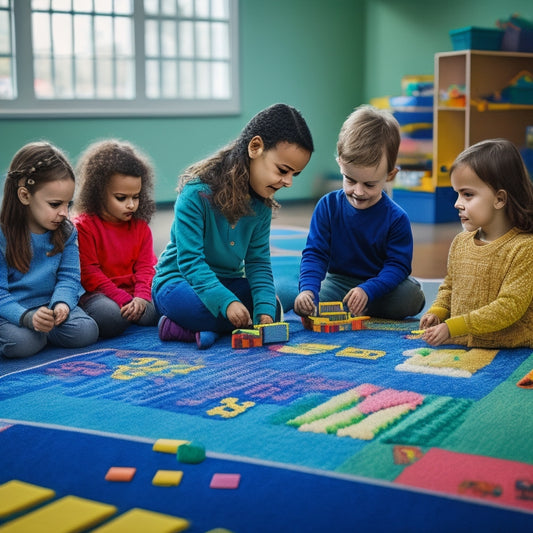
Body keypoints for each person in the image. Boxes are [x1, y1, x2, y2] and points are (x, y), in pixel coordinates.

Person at [152, 103, 314, 349]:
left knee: (270, 303)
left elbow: (258, 263)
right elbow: (190, 263)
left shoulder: (262, 207)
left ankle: (201, 329)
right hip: (178, 281)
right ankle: (177, 326)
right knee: (201, 308)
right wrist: (227, 303)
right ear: (255, 147)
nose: (288, 182)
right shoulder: (197, 194)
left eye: (294, 174)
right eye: (283, 170)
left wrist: (265, 314)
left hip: (226, 282)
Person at [294, 104, 425, 320]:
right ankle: (336, 302)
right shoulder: (327, 206)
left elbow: (398, 266)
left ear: (390, 175)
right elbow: (315, 254)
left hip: (381, 285)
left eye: (370, 184)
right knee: (308, 300)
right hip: (339, 283)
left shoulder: (396, 218)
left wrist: (368, 290)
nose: (358, 191)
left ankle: (359, 307)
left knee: (411, 297)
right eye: (350, 180)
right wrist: (308, 290)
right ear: (340, 165)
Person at [420, 138, 533, 348]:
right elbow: (449, 287)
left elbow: (508, 307)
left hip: (509, 348)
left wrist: (453, 327)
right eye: (457, 194)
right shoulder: (460, 242)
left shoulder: (524, 248)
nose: (457, 203)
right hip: (463, 341)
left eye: (467, 195)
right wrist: (438, 311)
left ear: (499, 199)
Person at [0, 141, 99, 358]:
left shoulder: (66, 231)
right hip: (12, 311)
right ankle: (37, 336)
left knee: (86, 331)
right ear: (25, 196)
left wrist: (62, 304)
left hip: (49, 306)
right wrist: (27, 318)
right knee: (22, 343)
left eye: (68, 204)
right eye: (55, 204)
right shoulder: (2, 235)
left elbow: (69, 277)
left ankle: (42, 336)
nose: (64, 213)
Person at [73, 139, 159, 338]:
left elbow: (146, 267)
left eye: (136, 197)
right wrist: (122, 299)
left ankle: (146, 316)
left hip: (136, 293)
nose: (131, 205)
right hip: (101, 295)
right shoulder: (84, 227)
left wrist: (140, 296)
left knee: (164, 302)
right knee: (111, 317)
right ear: (99, 193)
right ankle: (130, 316)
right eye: (121, 198)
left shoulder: (140, 227)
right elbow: (89, 273)